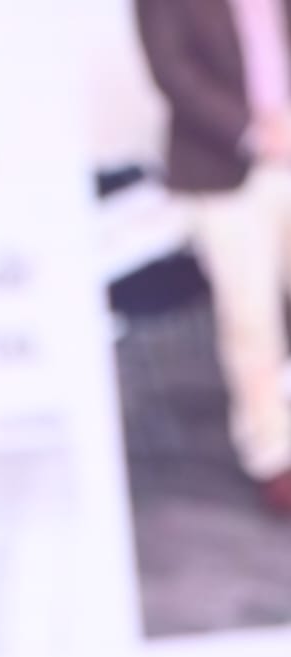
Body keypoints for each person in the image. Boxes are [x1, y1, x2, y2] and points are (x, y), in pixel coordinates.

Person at [136, 0, 291, 512]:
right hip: (223, 169)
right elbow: (174, 72)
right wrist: (254, 133)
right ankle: (273, 453)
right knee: (251, 318)